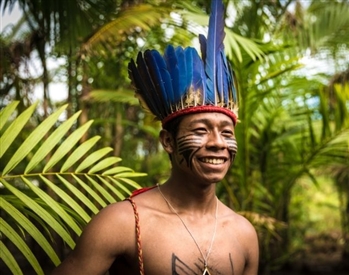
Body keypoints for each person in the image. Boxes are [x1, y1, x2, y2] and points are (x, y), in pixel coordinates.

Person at [52, 0, 259, 274]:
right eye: (200, 130)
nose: (218, 143)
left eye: (226, 132)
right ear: (168, 141)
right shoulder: (123, 223)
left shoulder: (244, 234)